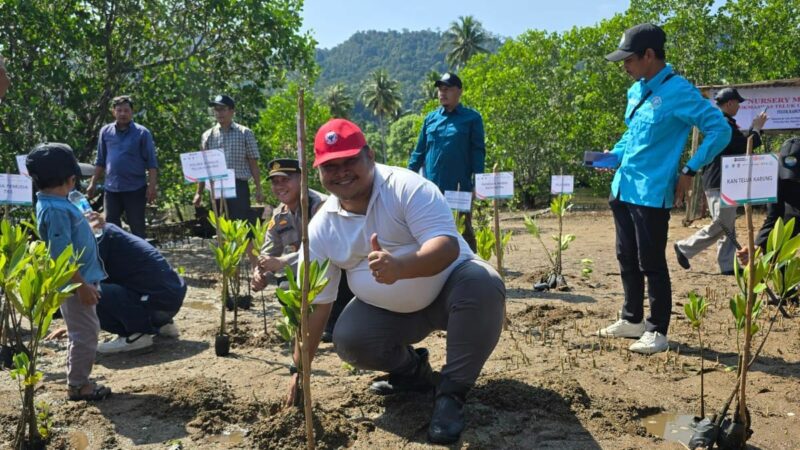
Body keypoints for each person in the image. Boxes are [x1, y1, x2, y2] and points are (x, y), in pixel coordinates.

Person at [287, 119, 505, 445]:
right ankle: (414, 374)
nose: (342, 171)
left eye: (350, 160)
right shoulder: (321, 229)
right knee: (348, 337)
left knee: (483, 281)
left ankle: (451, 393)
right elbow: (315, 305)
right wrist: (299, 371)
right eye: (331, 165)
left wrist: (401, 266)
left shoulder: (406, 187)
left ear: (370, 156)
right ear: (318, 172)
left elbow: (445, 246)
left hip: (451, 291)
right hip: (393, 314)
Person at [597, 24, 731, 354]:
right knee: (625, 255)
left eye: (628, 60)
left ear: (649, 55)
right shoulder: (636, 90)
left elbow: (719, 130)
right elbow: (632, 134)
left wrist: (689, 170)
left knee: (651, 261)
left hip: (652, 190)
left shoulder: (680, 92)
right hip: (623, 185)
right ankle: (632, 318)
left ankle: (657, 330)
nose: (624, 67)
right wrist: (612, 154)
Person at [26, 143, 111, 401]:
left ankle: (78, 378)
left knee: (84, 330)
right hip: (76, 282)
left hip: (81, 279)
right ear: (71, 179)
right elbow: (60, 254)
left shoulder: (57, 203)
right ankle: (78, 385)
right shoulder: (55, 209)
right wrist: (81, 285)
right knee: (85, 334)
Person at [250, 158, 352, 343]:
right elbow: (268, 252)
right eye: (275, 181)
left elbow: (328, 251)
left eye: (285, 179)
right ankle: (312, 322)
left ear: (301, 179)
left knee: (338, 271)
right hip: (310, 273)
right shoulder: (279, 214)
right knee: (285, 287)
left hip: (338, 269)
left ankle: (336, 319)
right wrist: (259, 271)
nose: (279, 186)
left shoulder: (321, 205)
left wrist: (283, 261)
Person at [674, 88, 767, 275]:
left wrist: (755, 129)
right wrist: (756, 128)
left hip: (726, 180)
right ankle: (684, 247)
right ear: (730, 103)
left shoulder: (726, 123)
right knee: (722, 223)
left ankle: (727, 264)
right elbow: (743, 145)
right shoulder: (723, 123)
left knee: (728, 224)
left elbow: (739, 143)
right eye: (738, 103)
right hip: (720, 181)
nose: (740, 106)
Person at [408, 72, 485, 251]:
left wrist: (477, 183)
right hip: (431, 188)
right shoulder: (430, 119)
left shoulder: (472, 118)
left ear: (459, 91)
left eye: (447, 89)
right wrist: (407, 176)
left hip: (459, 187)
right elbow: (419, 152)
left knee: (462, 229)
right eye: (440, 89)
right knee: (431, 230)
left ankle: (472, 266)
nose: (442, 93)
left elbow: (478, 151)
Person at [93, 222, 187, 353]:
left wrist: (79, 323)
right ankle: (162, 324)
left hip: (157, 305)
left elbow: (88, 281)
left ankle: (136, 336)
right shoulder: (108, 230)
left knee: (88, 290)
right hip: (169, 300)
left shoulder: (97, 237)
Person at [87, 95, 158, 238]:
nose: (123, 114)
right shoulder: (105, 132)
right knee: (111, 227)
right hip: (112, 188)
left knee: (137, 227)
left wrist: (152, 187)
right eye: (119, 110)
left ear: (132, 112)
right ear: (114, 112)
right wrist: (92, 183)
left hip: (135, 188)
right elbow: (100, 160)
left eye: (126, 110)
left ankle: (140, 258)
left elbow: (151, 163)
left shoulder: (142, 133)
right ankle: (119, 258)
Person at [193, 94, 263, 224]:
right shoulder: (208, 135)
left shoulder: (244, 133)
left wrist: (259, 188)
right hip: (217, 186)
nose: (219, 113)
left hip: (238, 185)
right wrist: (199, 193)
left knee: (241, 224)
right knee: (221, 225)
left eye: (223, 109)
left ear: (231, 111)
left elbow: (253, 162)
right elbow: (204, 167)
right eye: (216, 109)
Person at [738, 137, 800, 264]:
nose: (793, 180)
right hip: (793, 212)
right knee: (774, 245)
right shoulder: (777, 178)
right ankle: (783, 279)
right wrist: (757, 246)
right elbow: (774, 217)